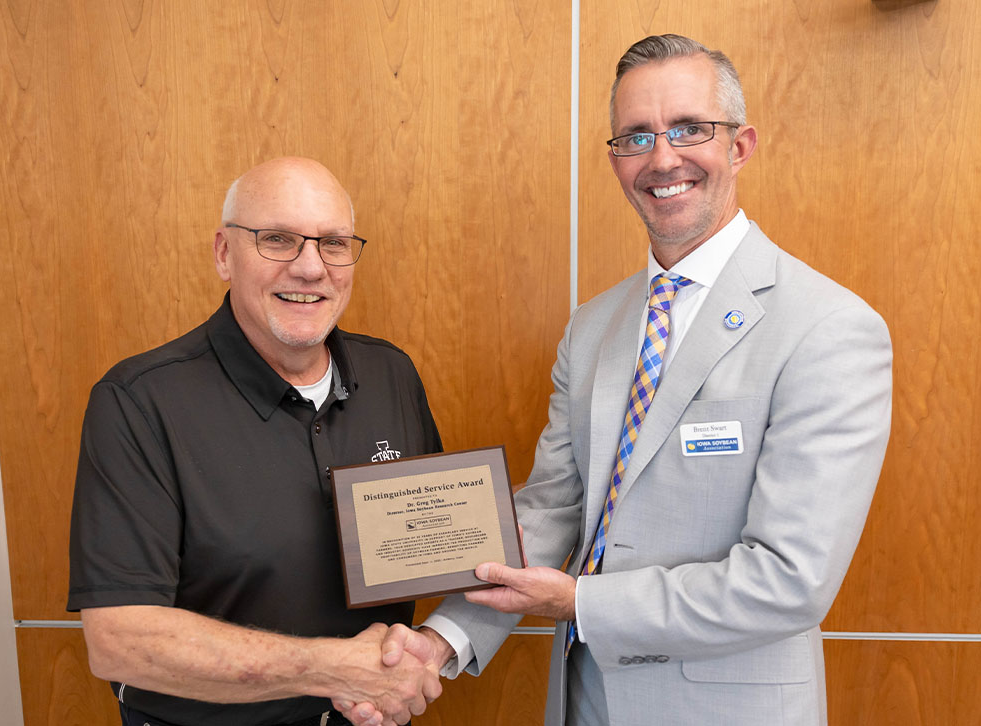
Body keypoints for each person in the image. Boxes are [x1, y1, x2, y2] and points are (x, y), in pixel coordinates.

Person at [343, 34, 892, 726]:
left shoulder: (828, 328)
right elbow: (552, 507)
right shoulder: (594, 327)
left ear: (740, 146)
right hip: (584, 703)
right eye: (635, 137)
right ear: (615, 160)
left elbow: (789, 581)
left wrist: (579, 603)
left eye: (689, 129)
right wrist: (439, 642)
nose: (662, 159)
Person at [68, 157, 445, 726]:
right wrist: (335, 669)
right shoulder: (138, 402)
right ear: (224, 253)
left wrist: (443, 628)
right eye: (278, 240)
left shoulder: (392, 374)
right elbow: (121, 642)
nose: (311, 268)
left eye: (333, 243)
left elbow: (436, 543)